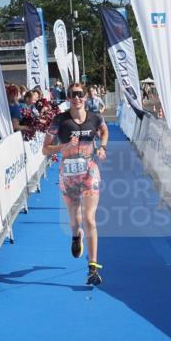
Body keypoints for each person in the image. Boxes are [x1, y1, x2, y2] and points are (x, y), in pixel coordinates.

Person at [42, 83, 109, 286]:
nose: (76, 98)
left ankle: (93, 268)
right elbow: (45, 149)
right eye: (72, 95)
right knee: (75, 221)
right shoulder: (60, 121)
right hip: (69, 176)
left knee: (89, 219)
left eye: (79, 94)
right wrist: (63, 146)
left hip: (89, 173)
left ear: (86, 96)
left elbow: (104, 131)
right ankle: (75, 236)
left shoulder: (95, 117)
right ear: (68, 97)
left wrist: (102, 148)